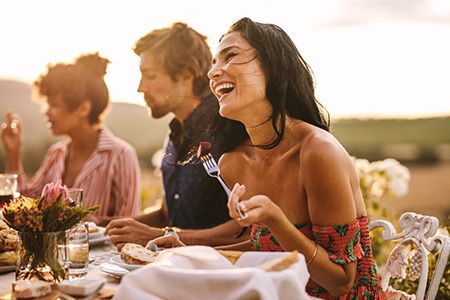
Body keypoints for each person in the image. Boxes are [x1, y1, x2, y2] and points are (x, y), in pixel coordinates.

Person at [151, 18, 386, 299]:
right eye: (214, 62)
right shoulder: (232, 163)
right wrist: (191, 253)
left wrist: (276, 219)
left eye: (231, 56)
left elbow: (340, 282)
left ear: (272, 66)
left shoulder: (318, 153)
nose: (213, 72)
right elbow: (266, 250)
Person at [104, 22, 247, 250]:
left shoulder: (230, 129)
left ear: (185, 75)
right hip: (175, 268)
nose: (141, 87)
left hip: (220, 272)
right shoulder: (173, 136)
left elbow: (248, 227)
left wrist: (163, 234)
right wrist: (107, 225)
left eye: (150, 76)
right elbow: (167, 214)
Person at [1, 52, 141, 226]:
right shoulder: (56, 153)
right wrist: (14, 152)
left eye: (54, 104)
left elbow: (130, 224)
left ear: (83, 108)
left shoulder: (121, 155)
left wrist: (96, 222)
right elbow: (27, 209)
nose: (46, 111)